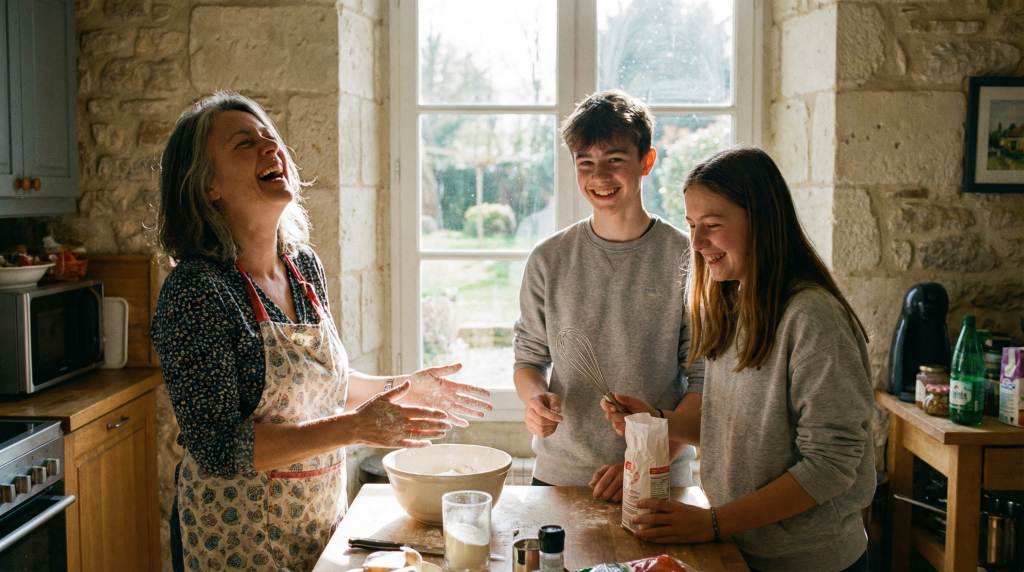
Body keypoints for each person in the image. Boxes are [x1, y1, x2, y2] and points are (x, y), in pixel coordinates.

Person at [152, 92, 492, 572]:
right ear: (209, 186)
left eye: (271, 138)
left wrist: (403, 388)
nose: (271, 149)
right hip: (235, 541)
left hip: (316, 526)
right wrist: (355, 427)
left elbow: (319, 385)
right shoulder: (197, 290)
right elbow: (218, 446)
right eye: (245, 144)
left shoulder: (302, 267)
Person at [601, 147, 874, 572]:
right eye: (692, 225)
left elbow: (830, 466)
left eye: (711, 225)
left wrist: (711, 523)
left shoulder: (813, 318)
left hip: (808, 560)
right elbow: (732, 425)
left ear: (763, 223)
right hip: (743, 546)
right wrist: (659, 420)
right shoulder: (732, 303)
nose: (695, 242)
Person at [512, 89, 704, 501]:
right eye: (586, 163)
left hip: (660, 475)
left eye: (615, 160)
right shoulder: (548, 258)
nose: (599, 176)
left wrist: (649, 457)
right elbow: (529, 359)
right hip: (559, 476)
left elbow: (704, 382)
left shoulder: (688, 259)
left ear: (646, 161)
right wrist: (534, 401)